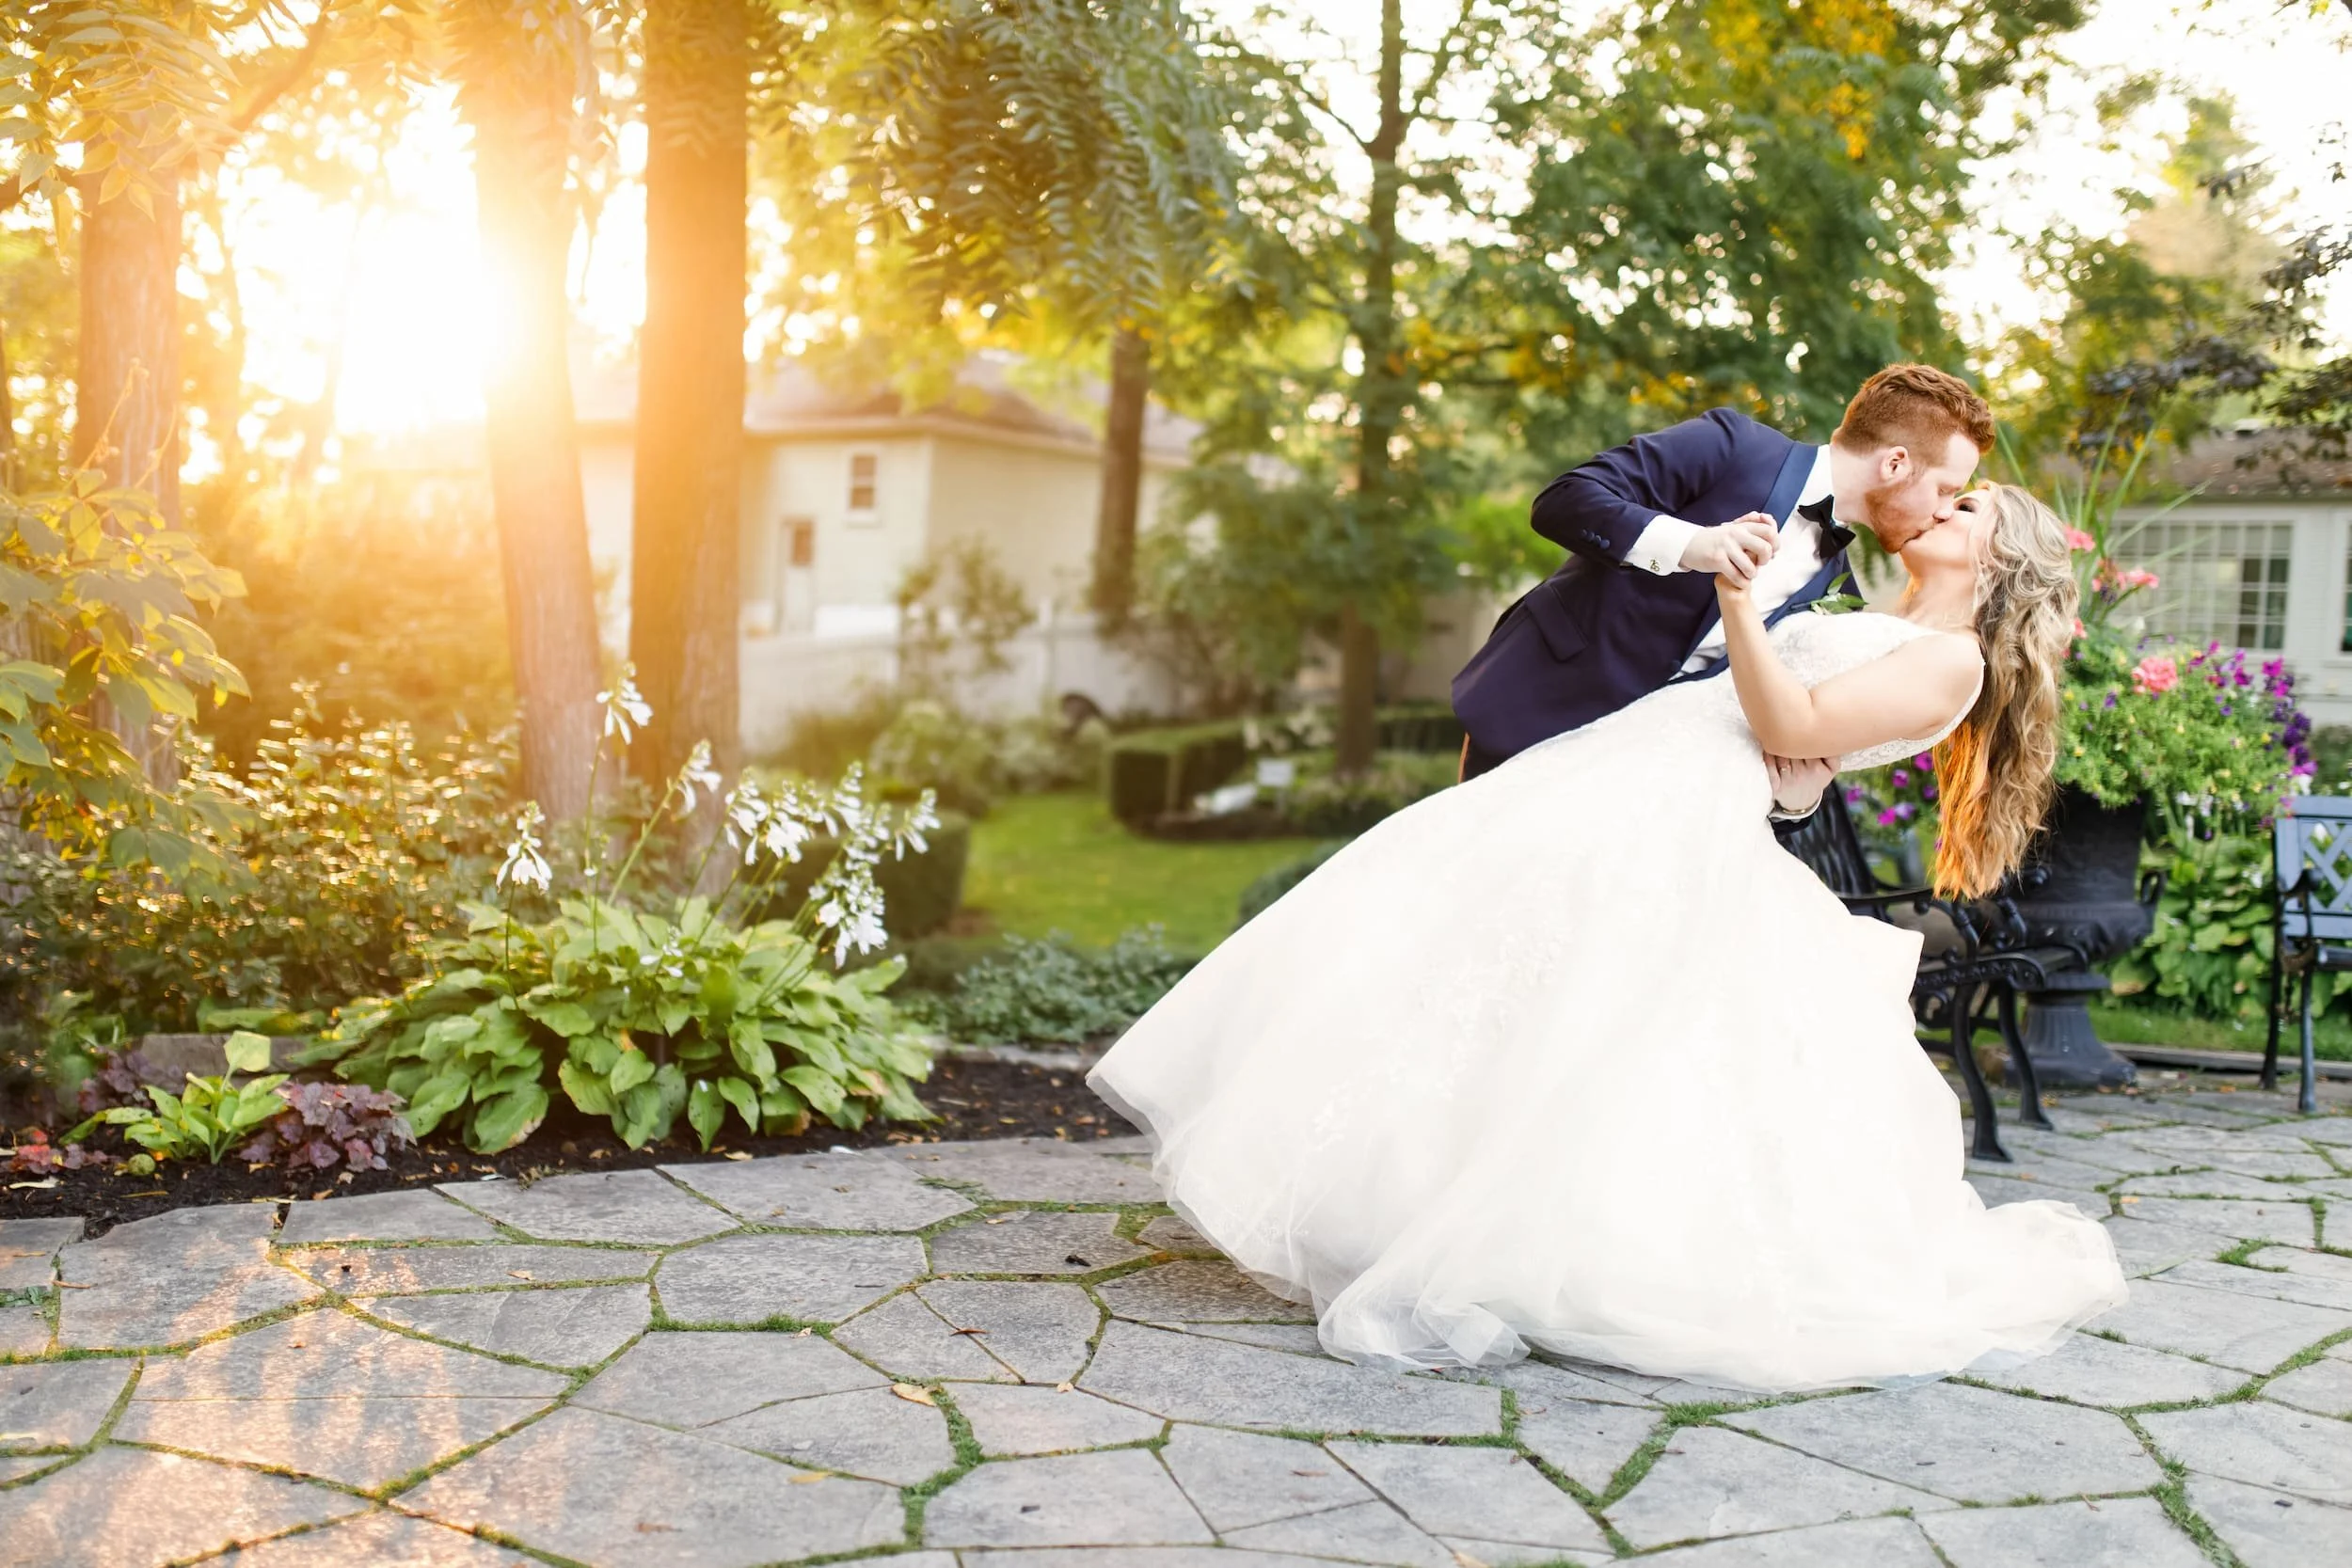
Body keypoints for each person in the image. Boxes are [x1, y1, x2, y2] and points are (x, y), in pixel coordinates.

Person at [1087, 482, 2129, 1394]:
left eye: (1968, 507)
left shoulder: (1950, 662)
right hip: (1630, 768)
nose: (1940, 504)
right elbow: (1775, 728)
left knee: (1588, 1014)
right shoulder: (1870, 613)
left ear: (2001, 556)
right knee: (1482, 962)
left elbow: (1793, 728)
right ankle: (1391, 1206)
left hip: (1673, 811)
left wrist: (1735, 598)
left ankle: (1519, 1248)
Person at [1451, 365, 1992, 828]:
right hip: (1537, 706)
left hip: (1635, 794)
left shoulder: (1838, 591)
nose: (1945, 509)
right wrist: (1691, 544)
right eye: (1945, 489)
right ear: (1894, 463)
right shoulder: (1734, 445)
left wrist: (1795, 807)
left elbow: (1775, 724)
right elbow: (1564, 501)